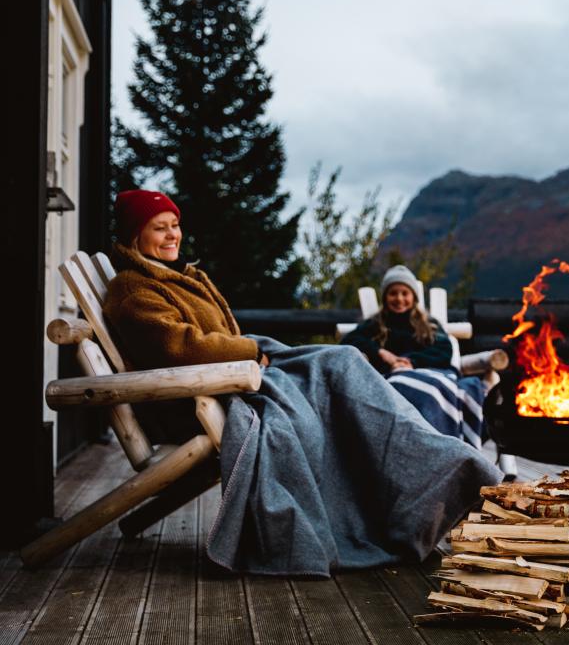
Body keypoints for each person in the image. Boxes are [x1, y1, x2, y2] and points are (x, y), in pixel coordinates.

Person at [103, 190, 502, 575]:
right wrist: (248, 352)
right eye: (159, 228)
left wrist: (250, 354)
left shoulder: (178, 276)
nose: (172, 235)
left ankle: (442, 468)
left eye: (174, 225)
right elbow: (178, 346)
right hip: (202, 398)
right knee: (335, 375)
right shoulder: (134, 290)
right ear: (135, 235)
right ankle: (445, 473)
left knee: (342, 361)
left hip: (232, 379)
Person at [343, 265, 489, 449]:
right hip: (392, 377)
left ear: (413, 297)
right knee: (398, 388)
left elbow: (444, 350)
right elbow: (350, 341)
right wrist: (382, 353)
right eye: (393, 293)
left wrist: (412, 362)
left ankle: (437, 446)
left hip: (430, 373)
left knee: (438, 390)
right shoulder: (375, 324)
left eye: (405, 293)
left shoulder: (427, 324)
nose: (399, 299)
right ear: (385, 297)